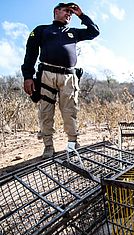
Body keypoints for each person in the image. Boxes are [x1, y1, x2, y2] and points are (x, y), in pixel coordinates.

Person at [21, 2, 100, 158]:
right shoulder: (41, 30)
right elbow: (30, 54)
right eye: (66, 11)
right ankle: (48, 146)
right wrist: (28, 77)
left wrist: (81, 15)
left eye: (71, 13)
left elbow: (94, 32)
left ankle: (72, 144)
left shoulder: (74, 32)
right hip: (47, 75)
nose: (69, 14)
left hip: (69, 77)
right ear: (56, 11)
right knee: (46, 111)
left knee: (70, 111)